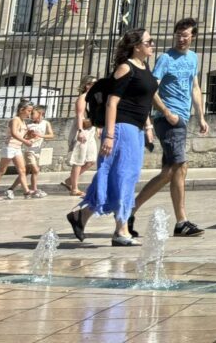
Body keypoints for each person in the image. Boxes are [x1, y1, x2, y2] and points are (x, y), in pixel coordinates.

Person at [66, 28, 159, 247]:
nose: (152, 45)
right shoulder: (125, 67)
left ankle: (83, 215)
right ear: (136, 46)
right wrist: (108, 135)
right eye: (149, 41)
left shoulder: (144, 66)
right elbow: (112, 103)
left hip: (135, 129)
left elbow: (142, 101)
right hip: (121, 128)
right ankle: (121, 229)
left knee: (123, 176)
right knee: (124, 177)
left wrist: (148, 125)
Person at [131, 18, 210, 237]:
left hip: (182, 118)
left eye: (186, 35)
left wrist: (201, 116)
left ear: (193, 37)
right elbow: (151, 88)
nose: (181, 38)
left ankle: (130, 209)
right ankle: (181, 221)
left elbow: (195, 87)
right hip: (167, 119)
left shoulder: (193, 58)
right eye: (178, 34)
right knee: (180, 166)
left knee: (168, 173)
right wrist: (166, 112)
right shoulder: (165, 58)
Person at [0, 100, 35, 200]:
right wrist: (25, 142)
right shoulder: (15, 120)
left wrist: (29, 136)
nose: (30, 113)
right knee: (2, 171)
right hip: (9, 147)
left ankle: (26, 191)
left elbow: (22, 135)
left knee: (22, 170)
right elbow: (13, 133)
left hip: (17, 148)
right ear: (22, 110)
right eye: (29, 111)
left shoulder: (23, 122)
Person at [63, 76, 98, 195]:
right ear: (85, 85)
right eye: (91, 83)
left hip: (91, 130)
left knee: (91, 160)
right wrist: (80, 130)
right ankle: (74, 188)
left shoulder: (94, 99)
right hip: (82, 129)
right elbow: (79, 115)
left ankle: (69, 181)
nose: (93, 85)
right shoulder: (83, 98)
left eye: (95, 83)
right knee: (79, 159)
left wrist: (98, 128)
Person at [24, 105, 54, 197]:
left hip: (38, 151)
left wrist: (40, 136)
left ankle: (12, 188)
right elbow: (24, 138)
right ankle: (34, 190)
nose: (31, 115)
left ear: (40, 114)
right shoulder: (28, 125)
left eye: (33, 113)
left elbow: (51, 135)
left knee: (26, 172)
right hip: (29, 150)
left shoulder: (45, 123)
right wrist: (29, 136)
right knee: (36, 170)